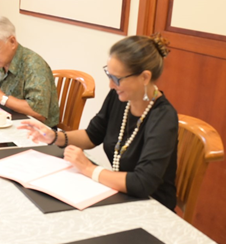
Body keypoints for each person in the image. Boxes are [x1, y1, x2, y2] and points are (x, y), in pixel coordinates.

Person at [19, 34, 178, 209]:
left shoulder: (163, 117)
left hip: (151, 207)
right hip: (119, 194)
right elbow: (92, 135)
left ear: (145, 77)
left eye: (117, 79)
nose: (111, 85)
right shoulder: (119, 98)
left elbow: (142, 182)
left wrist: (88, 169)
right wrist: (54, 136)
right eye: (109, 75)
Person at [0, 16, 59, 127]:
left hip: (37, 133)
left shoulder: (34, 66)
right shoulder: (1, 60)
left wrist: (2, 98)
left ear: (12, 41)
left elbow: (38, 112)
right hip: (6, 121)